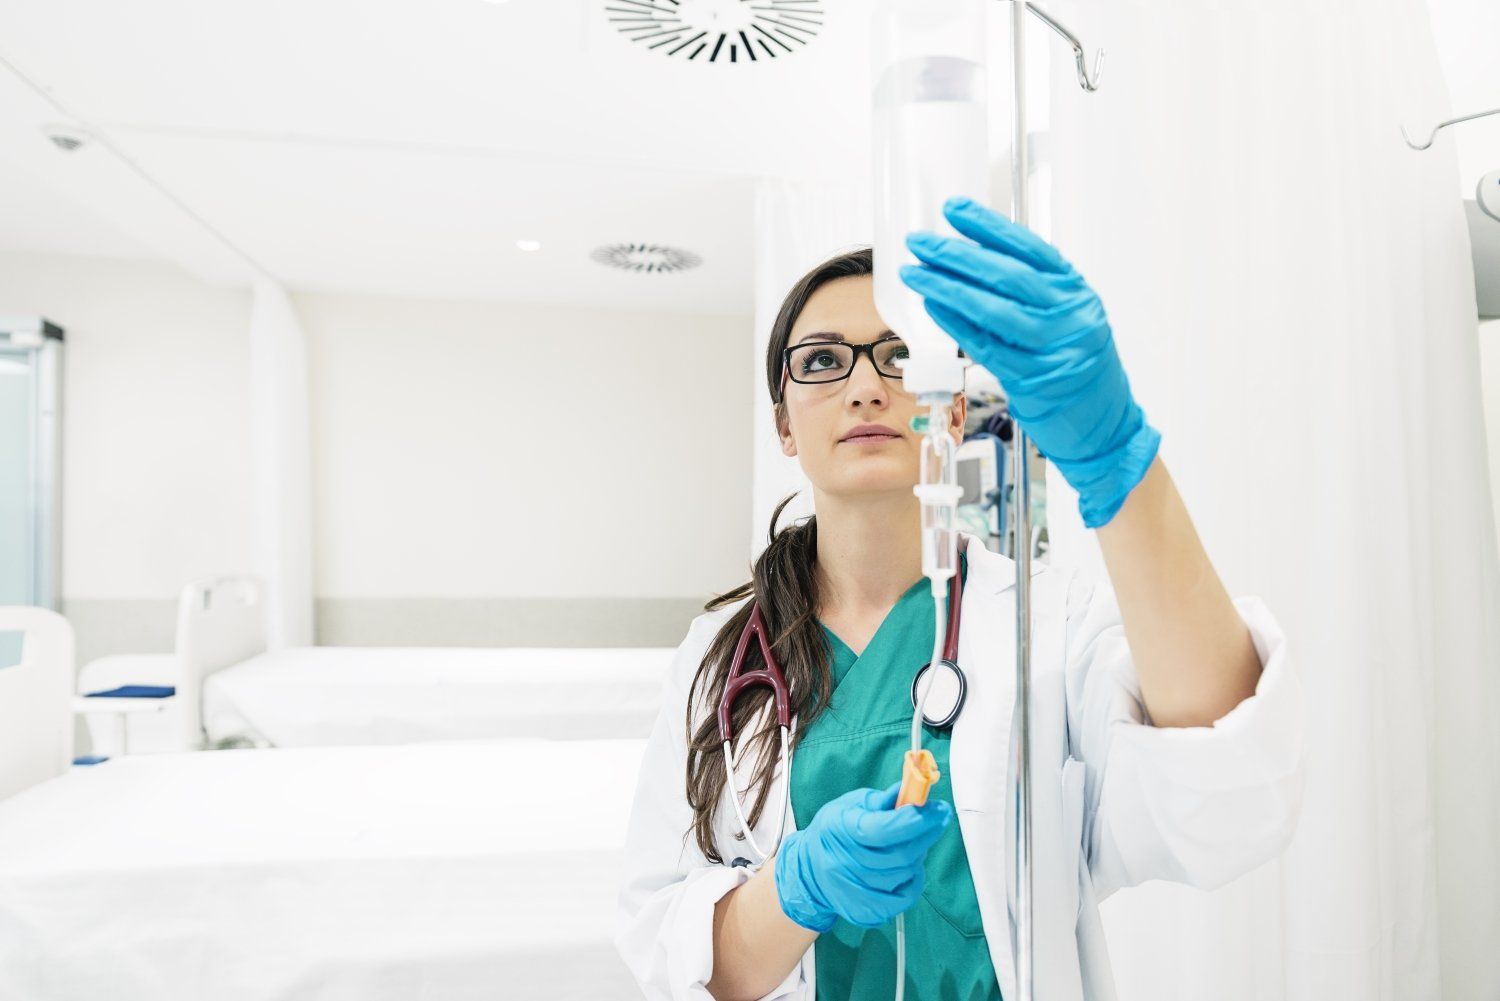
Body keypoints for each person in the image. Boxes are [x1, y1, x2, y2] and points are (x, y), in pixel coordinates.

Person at [615, 198, 1305, 1001]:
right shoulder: (719, 658)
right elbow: (675, 955)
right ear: (784, 425)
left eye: (900, 355)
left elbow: (1226, 792)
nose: (867, 386)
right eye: (822, 361)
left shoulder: (1043, 620)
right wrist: (794, 890)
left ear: (947, 406)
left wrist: (1117, 458)